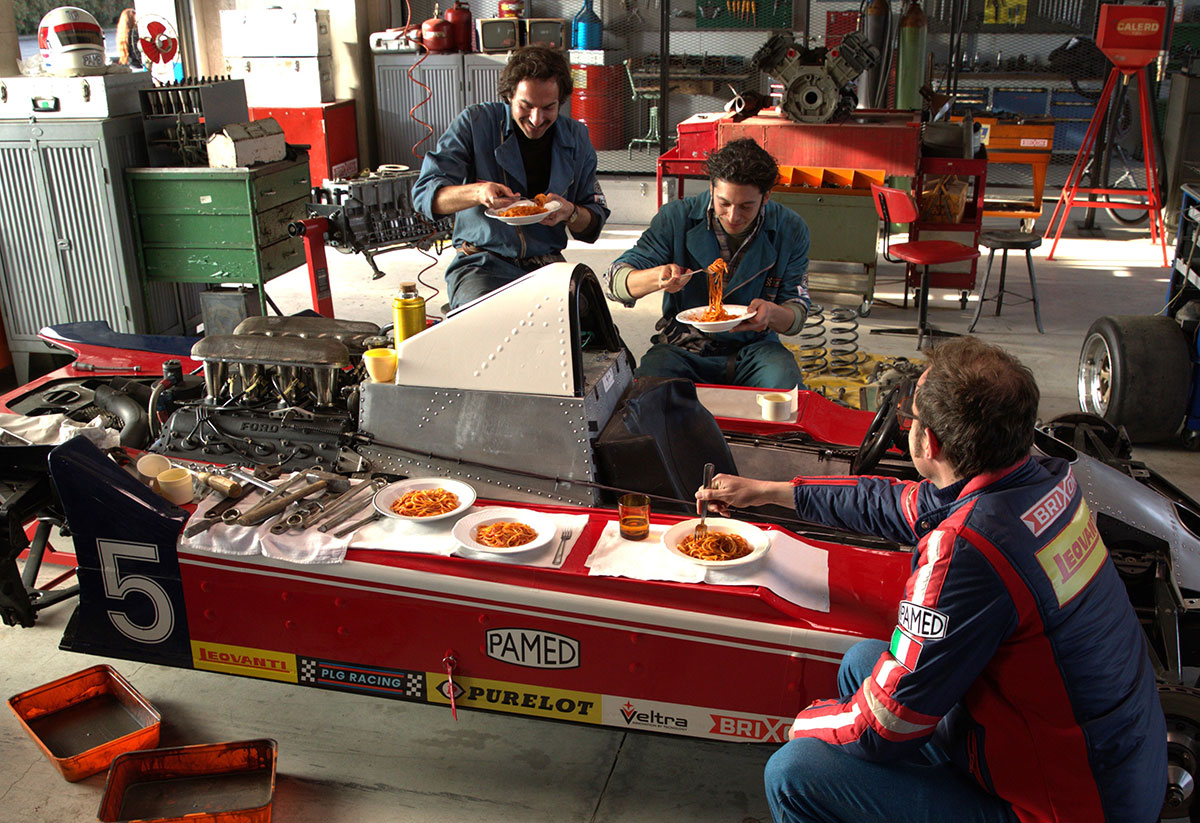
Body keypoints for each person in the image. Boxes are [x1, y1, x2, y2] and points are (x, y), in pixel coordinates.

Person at [696, 337, 1166, 823]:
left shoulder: (969, 549)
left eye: (913, 416)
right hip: (1100, 764)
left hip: (1060, 808)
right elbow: (887, 503)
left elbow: (881, 728)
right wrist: (767, 491)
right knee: (862, 664)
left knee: (795, 771)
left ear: (930, 443)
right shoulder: (1039, 482)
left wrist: (803, 724)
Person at [603, 137, 809, 390]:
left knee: (788, 394)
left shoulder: (790, 229)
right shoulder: (676, 218)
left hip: (756, 349)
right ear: (711, 188)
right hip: (683, 347)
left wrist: (771, 314)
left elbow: (796, 314)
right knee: (645, 396)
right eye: (724, 203)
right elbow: (615, 281)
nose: (733, 216)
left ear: (766, 196)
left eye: (746, 206)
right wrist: (657, 278)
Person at [412, 46, 609, 310]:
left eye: (548, 107)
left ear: (560, 101)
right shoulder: (475, 123)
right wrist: (478, 193)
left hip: (546, 265)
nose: (537, 119)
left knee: (589, 321)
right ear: (509, 95)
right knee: (484, 318)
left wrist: (570, 212)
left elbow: (593, 222)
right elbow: (425, 195)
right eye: (526, 106)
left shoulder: (576, 138)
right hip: (480, 263)